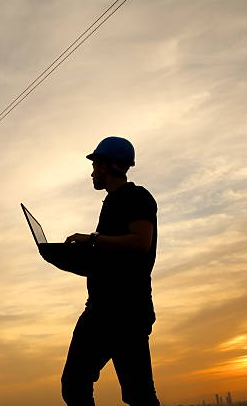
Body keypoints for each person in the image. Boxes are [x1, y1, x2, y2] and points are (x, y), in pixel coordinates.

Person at [59, 137, 160, 406]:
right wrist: (70, 259)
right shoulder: (113, 202)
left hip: (124, 310)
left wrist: (91, 239)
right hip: (105, 307)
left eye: (95, 165)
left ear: (108, 166)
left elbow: (140, 242)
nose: (92, 172)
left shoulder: (136, 197)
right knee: (78, 384)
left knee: (134, 393)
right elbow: (113, 257)